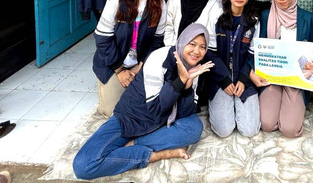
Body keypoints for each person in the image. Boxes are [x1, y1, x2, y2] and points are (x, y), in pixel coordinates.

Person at [73, 24, 220, 180]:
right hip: (133, 117)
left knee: (194, 128)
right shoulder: (159, 58)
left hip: (164, 120)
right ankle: (158, 154)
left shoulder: (194, 68)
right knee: (84, 165)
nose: (197, 51)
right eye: (192, 44)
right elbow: (156, 108)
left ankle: (134, 143)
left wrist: (188, 85)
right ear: (182, 41)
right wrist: (181, 80)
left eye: (203, 47)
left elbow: (185, 113)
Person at [93, 0, 167, 117]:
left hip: (139, 63)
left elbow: (157, 41)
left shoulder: (159, 5)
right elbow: (102, 40)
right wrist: (119, 70)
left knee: (147, 107)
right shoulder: (116, 2)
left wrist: (142, 65)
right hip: (113, 63)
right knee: (112, 112)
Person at [255, 0, 313, 138]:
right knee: (267, 125)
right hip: (272, 76)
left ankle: (289, 105)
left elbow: (310, 50)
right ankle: (278, 100)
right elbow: (259, 47)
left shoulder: (307, 18)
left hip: (295, 77)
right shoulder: (266, 15)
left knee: (289, 130)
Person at [207, 0, 260, 138]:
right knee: (223, 131)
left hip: (243, 75)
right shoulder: (217, 16)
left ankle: (239, 101)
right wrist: (224, 80)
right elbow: (210, 52)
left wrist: (244, 79)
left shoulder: (254, 21)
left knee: (250, 131)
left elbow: (253, 54)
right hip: (220, 77)